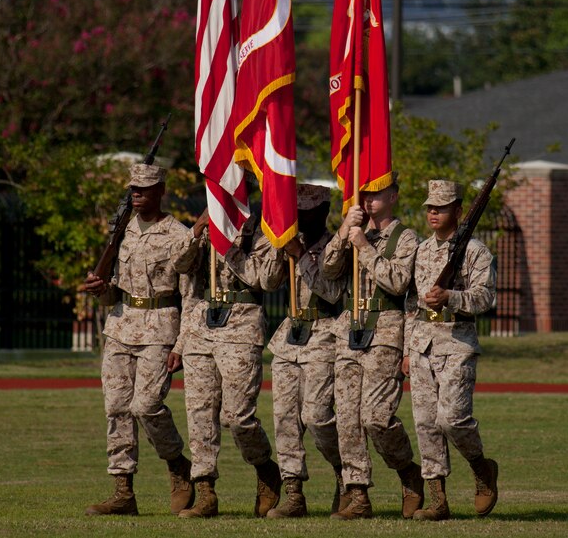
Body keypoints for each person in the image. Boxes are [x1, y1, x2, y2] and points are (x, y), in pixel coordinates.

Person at [82, 162, 201, 517]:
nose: (137, 194)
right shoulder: (121, 232)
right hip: (120, 326)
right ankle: (123, 491)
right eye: (133, 188)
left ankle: (178, 466)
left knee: (146, 406)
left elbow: (191, 296)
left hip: (160, 328)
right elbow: (112, 291)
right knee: (116, 409)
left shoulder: (179, 235)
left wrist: (181, 344)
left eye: (145, 189)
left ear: (161, 191)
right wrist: (99, 289)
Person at [171, 203, 286, 518]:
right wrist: (197, 230)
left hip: (242, 325)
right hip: (201, 326)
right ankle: (206, 492)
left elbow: (268, 279)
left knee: (237, 416)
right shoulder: (207, 226)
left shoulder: (262, 229)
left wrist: (228, 246)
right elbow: (180, 264)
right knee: (199, 414)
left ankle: (265, 469)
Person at [321, 174, 425, 520]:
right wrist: (342, 233)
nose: (368, 200)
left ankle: (408, 472)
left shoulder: (406, 238)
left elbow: (397, 282)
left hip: (385, 332)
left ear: (394, 195)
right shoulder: (354, 232)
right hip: (350, 331)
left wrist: (364, 247)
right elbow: (328, 271)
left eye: (377, 193)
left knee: (375, 418)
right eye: (364, 193)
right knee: (347, 419)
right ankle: (358, 493)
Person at [405, 179, 499, 520]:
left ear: (458, 211)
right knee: (426, 423)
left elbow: (486, 298)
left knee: (452, 419)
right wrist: (406, 349)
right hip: (422, 343)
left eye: (440, 207)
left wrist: (452, 297)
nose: (432, 212)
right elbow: (409, 304)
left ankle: (482, 469)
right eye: (430, 206)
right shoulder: (421, 251)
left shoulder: (476, 252)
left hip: (457, 342)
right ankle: (437, 500)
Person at [264, 183, 346, 518]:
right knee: (284, 417)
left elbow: (331, 292)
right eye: (296, 211)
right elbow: (268, 283)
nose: (300, 217)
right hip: (290, 336)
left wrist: (303, 258)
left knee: (316, 416)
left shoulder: (337, 249)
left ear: (324, 212)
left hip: (324, 334)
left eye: (307, 211)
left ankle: (346, 473)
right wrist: (280, 249)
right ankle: (294, 492)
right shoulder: (290, 244)